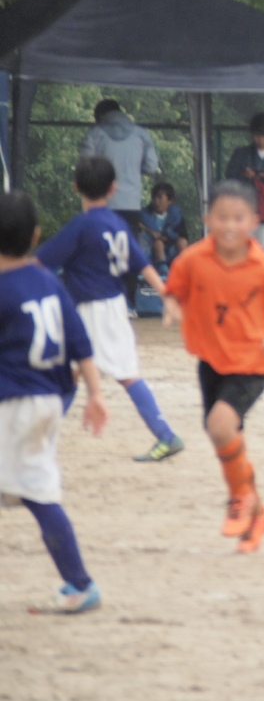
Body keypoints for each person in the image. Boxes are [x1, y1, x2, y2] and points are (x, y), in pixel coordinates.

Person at [163, 180, 264, 554]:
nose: (229, 225)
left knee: (220, 425)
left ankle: (240, 499)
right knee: (222, 434)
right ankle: (257, 513)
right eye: (221, 217)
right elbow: (173, 290)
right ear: (207, 219)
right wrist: (173, 309)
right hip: (211, 360)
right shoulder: (193, 259)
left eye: (238, 218)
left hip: (252, 363)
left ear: (253, 222)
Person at [35, 156, 185, 463]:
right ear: (113, 188)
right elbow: (143, 264)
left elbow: (40, 262)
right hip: (116, 308)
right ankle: (166, 435)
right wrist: (167, 296)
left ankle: (36, 443)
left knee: (69, 373)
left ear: (76, 187)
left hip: (90, 311)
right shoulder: (117, 224)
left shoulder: (81, 225)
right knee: (124, 374)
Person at [0, 190, 108, 614]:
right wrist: (96, 394)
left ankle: (80, 583)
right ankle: (78, 582)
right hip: (47, 401)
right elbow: (81, 344)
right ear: (36, 235)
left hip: (14, 405)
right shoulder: (48, 281)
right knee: (35, 491)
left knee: (37, 494)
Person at [79, 99, 160, 309]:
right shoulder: (140, 134)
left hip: (102, 203)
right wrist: (132, 170)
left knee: (98, 250)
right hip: (131, 203)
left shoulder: (96, 134)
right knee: (128, 252)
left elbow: (84, 166)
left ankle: (103, 300)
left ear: (100, 116)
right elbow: (152, 166)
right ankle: (129, 303)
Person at [224, 112, 264, 258]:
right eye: (257, 136)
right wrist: (243, 175)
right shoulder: (241, 154)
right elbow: (229, 177)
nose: (260, 140)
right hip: (243, 215)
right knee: (241, 258)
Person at [138, 181, 189, 274]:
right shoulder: (145, 216)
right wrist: (151, 232)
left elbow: (182, 235)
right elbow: (137, 225)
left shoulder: (176, 217)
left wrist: (168, 238)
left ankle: (185, 270)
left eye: (160, 197)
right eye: (154, 197)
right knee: (158, 244)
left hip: (171, 251)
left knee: (182, 242)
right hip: (152, 252)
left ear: (169, 201)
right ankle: (163, 271)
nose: (156, 201)